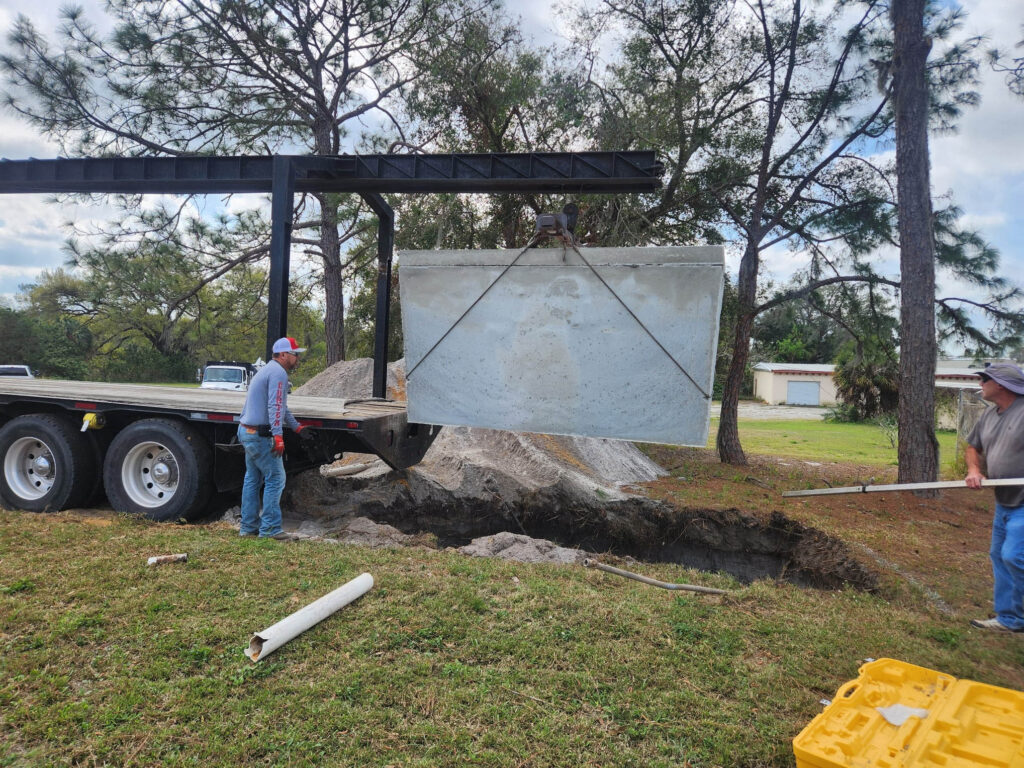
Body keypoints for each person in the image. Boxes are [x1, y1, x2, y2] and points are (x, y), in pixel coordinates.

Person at [965, 362, 1024, 632]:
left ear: (1000, 384)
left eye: (984, 380)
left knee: (1014, 556)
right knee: (999, 556)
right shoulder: (988, 416)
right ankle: (1010, 619)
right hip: (1004, 501)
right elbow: (972, 446)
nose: (980, 385)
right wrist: (974, 469)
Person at [237, 336, 311, 539]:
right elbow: (275, 407)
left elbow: (281, 404)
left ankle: (248, 527)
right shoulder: (279, 373)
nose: (297, 358)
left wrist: (296, 427)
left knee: (252, 479)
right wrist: (278, 436)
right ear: (284, 355)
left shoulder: (268, 370)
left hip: (247, 431)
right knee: (276, 478)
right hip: (260, 435)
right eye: (295, 354)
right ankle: (269, 529)